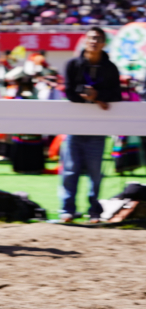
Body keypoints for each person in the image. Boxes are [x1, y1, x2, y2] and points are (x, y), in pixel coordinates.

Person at [59, 26, 122, 223]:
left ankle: (94, 211)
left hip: (98, 128)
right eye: (91, 38)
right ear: (85, 41)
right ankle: (67, 211)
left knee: (95, 174)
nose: (94, 42)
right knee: (70, 171)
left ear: (104, 44)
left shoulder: (110, 68)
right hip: (74, 126)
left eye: (98, 39)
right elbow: (69, 91)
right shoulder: (73, 65)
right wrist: (93, 97)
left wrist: (98, 95)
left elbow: (116, 95)